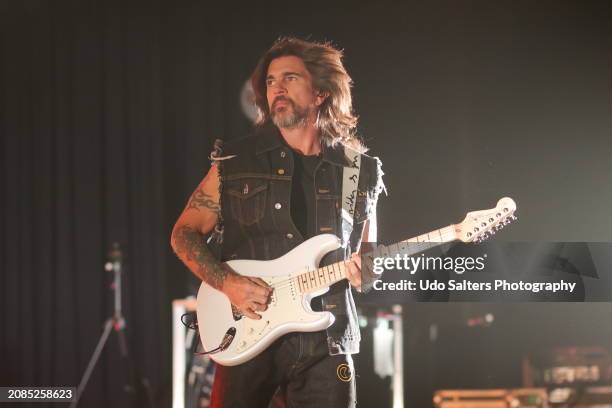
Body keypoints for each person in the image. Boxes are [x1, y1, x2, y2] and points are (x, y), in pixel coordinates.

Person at [171, 37, 384, 408]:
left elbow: (367, 256)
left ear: (320, 93)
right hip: (247, 331)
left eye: (290, 78)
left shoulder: (358, 171)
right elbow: (183, 234)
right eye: (270, 81)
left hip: (327, 341)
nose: (277, 88)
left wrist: (368, 271)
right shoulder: (236, 164)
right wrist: (227, 283)